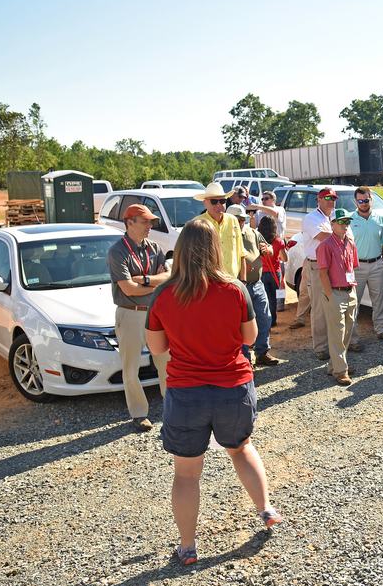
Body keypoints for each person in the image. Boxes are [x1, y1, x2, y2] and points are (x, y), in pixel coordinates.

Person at [145, 219, 280, 566]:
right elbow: (250, 338)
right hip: (232, 388)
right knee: (240, 448)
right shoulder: (235, 289)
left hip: (186, 392)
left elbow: (157, 347)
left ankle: (188, 547)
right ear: (215, 249)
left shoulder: (164, 294)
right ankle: (265, 510)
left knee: (186, 474)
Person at [106, 204, 171, 430]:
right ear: (129, 222)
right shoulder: (117, 251)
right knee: (131, 367)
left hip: (155, 313)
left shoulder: (154, 247)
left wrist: (143, 280)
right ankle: (139, 413)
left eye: (151, 222)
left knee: (166, 361)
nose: (150, 226)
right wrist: (154, 283)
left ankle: (171, 406)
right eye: (145, 222)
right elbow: (128, 289)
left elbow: (169, 276)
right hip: (130, 314)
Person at [229, 204, 277, 367]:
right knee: (241, 322)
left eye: (243, 219)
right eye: (237, 219)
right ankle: (244, 357)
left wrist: (268, 249)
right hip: (238, 285)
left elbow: (268, 248)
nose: (241, 222)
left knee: (265, 318)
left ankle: (262, 352)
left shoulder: (252, 233)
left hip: (257, 283)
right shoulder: (226, 237)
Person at [317, 208, 360, 385]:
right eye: (341, 222)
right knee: (337, 332)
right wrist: (329, 295)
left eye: (347, 222)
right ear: (332, 224)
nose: (345, 225)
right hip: (335, 292)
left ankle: (335, 365)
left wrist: (353, 291)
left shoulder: (349, 242)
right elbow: (323, 273)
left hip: (350, 291)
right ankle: (341, 370)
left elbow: (353, 267)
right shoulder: (325, 245)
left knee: (347, 331)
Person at [348, 186, 383, 346]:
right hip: (356, 266)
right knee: (353, 302)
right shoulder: (349, 220)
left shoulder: (381, 219)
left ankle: (381, 329)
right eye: (360, 201)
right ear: (355, 201)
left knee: (379, 300)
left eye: (366, 200)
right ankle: (352, 337)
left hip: (376, 265)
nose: (363, 203)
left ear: (371, 200)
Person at [300, 188, 339, 360]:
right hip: (317, 266)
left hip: (334, 266)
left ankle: (334, 344)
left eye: (334, 198)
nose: (331, 200)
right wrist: (341, 231)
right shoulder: (311, 218)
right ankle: (321, 347)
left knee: (334, 304)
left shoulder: (334, 215)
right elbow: (324, 236)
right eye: (328, 197)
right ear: (319, 199)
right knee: (319, 307)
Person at [194, 182, 244, 279]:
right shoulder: (197, 223)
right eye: (214, 201)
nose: (218, 205)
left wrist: (243, 281)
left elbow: (241, 253)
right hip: (208, 282)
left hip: (232, 280)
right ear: (205, 203)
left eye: (222, 201)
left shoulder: (233, 220)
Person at [258, 216, 288, 323]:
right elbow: (285, 258)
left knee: (264, 297)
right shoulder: (278, 241)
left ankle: (265, 319)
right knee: (273, 297)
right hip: (275, 273)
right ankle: (273, 320)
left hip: (262, 272)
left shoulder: (257, 240)